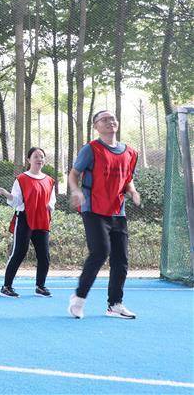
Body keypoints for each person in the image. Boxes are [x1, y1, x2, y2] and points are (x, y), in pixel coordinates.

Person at [68, 110, 141, 320]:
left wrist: (132, 191)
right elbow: (74, 174)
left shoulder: (130, 152)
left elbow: (127, 179)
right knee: (100, 251)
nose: (110, 121)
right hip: (93, 209)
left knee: (121, 259)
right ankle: (79, 298)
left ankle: (114, 304)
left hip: (118, 211)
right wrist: (76, 190)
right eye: (104, 119)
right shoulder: (91, 149)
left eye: (112, 118)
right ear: (96, 126)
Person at [0, 147, 56, 298]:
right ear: (28, 160)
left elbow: (52, 200)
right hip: (25, 218)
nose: (39, 159)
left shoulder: (49, 180)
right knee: (19, 252)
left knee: (44, 255)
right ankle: (6, 287)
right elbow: (16, 201)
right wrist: (5, 193)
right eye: (36, 156)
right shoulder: (21, 179)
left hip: (42, 219)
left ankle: (40, 286)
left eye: (42, 156)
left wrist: (50, 206)